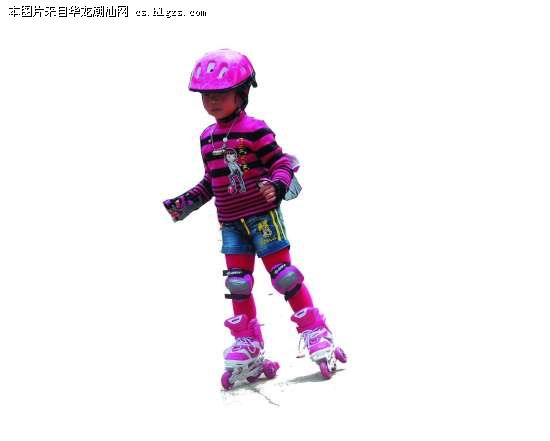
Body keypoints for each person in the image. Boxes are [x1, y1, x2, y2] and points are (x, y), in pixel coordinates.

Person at [163, 49, 346, 389]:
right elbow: (212, 182)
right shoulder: (206, 138)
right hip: (230, 223)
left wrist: (276, 186)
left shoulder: (255, 130)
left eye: (220, 93)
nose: (211, 101)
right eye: (205, 95)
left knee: (284, 276)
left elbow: (282, 163)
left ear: (243, 92)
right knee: (238, 283)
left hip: (262, 217)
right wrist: (184, 204)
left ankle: (316, 331)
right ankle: (248, 343)